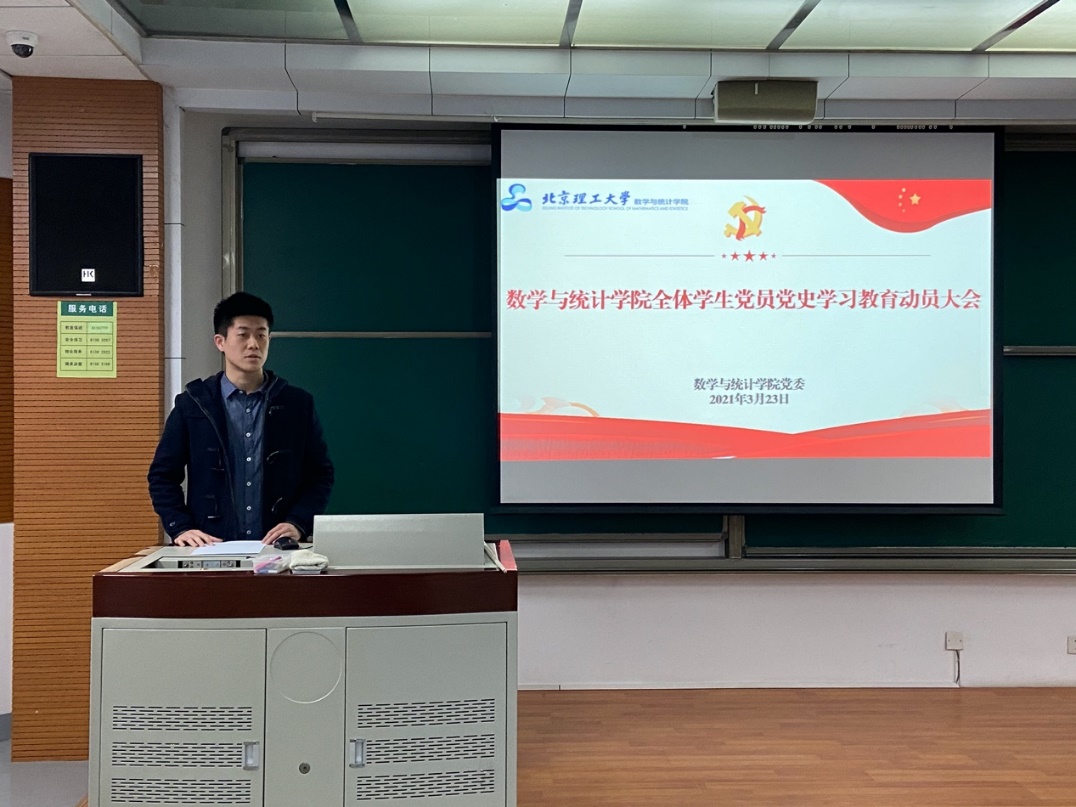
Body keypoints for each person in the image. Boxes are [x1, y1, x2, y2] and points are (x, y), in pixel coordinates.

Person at [148, 292, 334, 546]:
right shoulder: (194, 403)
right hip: (211, 547)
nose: (254, 344)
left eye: (261, 335)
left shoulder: (296, 404)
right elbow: (162, 476)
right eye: (243, 334)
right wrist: (180, 527)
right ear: (220, 342)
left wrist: (298, 522)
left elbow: (320, 474)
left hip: (279, 548)